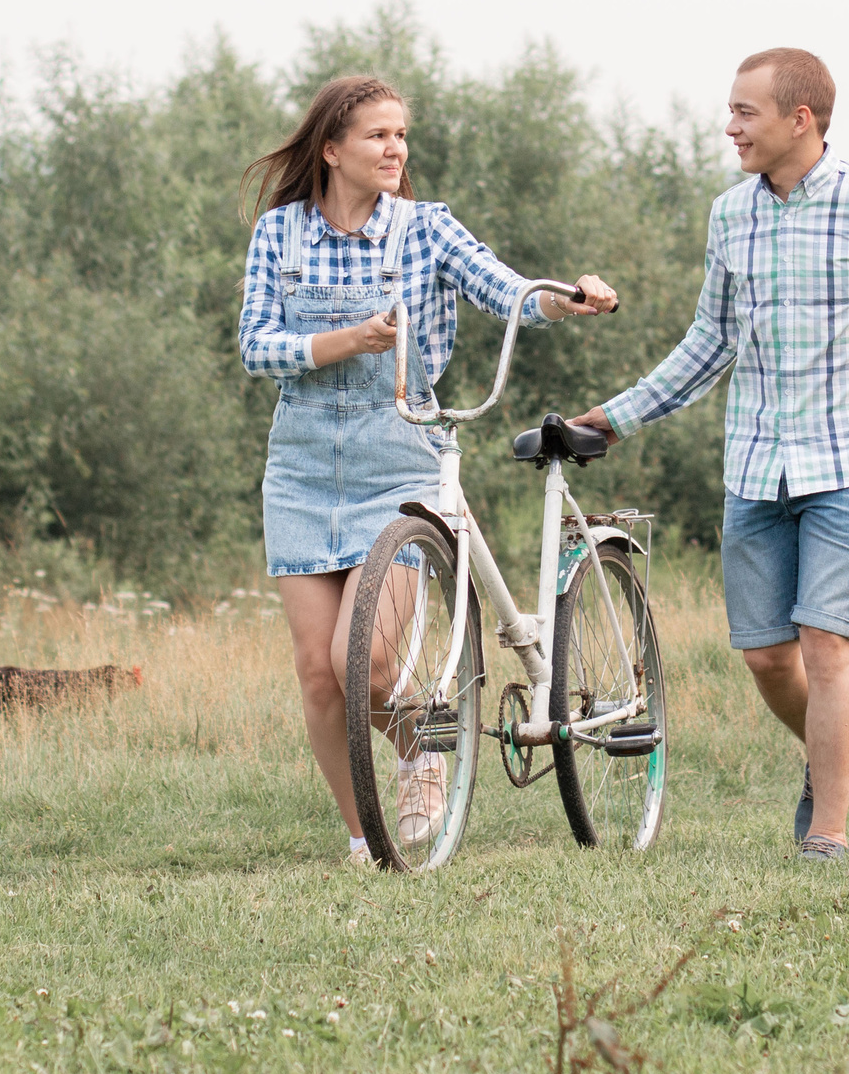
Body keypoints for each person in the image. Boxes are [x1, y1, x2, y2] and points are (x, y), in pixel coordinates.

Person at [571, 48, 849, 862]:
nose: (730, 125)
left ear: (799, 119)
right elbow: (711, 341)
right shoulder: (730, 215)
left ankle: (828, 833)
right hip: (757, 464)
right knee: (768, 656)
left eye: (745, 112)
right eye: (730, 110)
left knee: (825, 644)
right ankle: (825, 754)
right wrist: (619, 417)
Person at [240, 74, 618, 866]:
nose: (395, 148)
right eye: (378, 135)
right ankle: (364, 839)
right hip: (302, 467)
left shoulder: (426, 229)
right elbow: (256, 345)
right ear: (332, 147)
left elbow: (504, 291)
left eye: (400, 135)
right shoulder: (280, 234)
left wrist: (564, 299)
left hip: (400, 459)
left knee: (368, 663)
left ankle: (422, 743)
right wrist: (349, 339)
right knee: (318, 673)